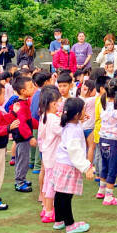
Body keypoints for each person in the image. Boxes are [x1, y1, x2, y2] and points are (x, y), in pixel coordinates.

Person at [53, 97, 95, 233]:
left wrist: (80, 119)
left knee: (60, 194)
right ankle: (70, 224)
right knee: (66, 196)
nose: (85, 112)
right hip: (68, 166)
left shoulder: (68, 124)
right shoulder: (73, 130)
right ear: (76, 114)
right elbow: (75, 152)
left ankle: (59, 220)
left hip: (61, 164)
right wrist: (87, 167)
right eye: (83, 110)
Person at [98, 79, 117, 206]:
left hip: (102, 138)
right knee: (113, 168)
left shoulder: (103, 104)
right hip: (113, 141)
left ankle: (101, 189)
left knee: (105, 165)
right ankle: (109, 196)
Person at [38, 85, 63, 223]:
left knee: (49, 182)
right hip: (53, 157)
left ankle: (46, 209)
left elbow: (41, 135)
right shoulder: (54, 119)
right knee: (52, 185)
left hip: (47, 154)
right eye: (59, 102)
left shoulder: (44, 116)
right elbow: (62, 131)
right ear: (53, 104)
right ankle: (49, 211)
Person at [9, 76, 37, 192]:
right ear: (23, 91)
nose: (33, 88)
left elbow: (29, 120)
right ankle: (19, 182)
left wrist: (40, 123)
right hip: (22, 138)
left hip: (22, 137)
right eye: (30, 87)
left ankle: (21, 179)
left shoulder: (24, 103)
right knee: (23, 160)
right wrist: (30, 137)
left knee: (22, 159)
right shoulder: (21, 106)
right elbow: (22, 124)